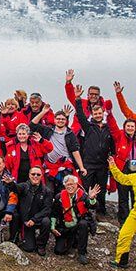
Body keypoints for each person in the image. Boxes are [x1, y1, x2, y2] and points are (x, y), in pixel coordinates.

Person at [71, 84, 115, 217]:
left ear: (103, 114)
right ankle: (84, 210)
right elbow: (80, 114)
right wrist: (78, 99)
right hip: (88, 163)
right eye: (95, 113)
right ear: (93, 115)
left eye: (99, 113)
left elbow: (113, 144)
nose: (97, 115)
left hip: (102, 164)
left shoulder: (109, 129)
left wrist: (112, 156)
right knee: (86, 187)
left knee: (100, 188)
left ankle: (101, 211)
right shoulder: (88, 127)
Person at [30, 104, 86, 190]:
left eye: (63, 119)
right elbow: (32, 125)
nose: (60, 121)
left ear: (66, 121)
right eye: (58, 119)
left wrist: (81, 167)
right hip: (50, 167)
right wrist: (43, 112)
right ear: (54, 120)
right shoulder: (48, 130)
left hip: (66, 166)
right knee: (48, 192)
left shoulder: (70, 134)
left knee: (67, 191)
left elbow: (75, 151)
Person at [51, 176, 100, 265]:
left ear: (76, 185)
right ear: (64, 185)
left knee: (83, 224)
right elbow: (54, 213)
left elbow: (93, 206)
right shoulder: (59, 197)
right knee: (59, 251)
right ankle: (72, 241)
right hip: (65, 227)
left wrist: (92, 198)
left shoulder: (83, 196)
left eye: (72, 184)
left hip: (78, 226)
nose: (70, 186)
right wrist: (53, 227)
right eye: (67, 184)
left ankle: (82, 253)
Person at [8, 166, 54, 254]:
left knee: (46, 221)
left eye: (38, 174)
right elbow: (15, 188)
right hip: (25, 221)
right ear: (29, 175)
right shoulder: (24, 186)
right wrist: (10, 183)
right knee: (29, 248)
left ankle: (41, 245)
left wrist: (34, 219)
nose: (35, 176)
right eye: (33, 174)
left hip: (37, 220)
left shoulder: (47, 191)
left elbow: (47, 209)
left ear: (41, 176)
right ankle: (14, 237)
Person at [65, 69, 112, 136]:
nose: (93, 96)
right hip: (79, 136)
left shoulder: (103, 106)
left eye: (96, 94)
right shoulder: (81, 103)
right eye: (91, 94)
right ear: (88, 95)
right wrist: (68, 83)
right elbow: (71, 96)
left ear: (99, 96)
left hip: (96, 136)